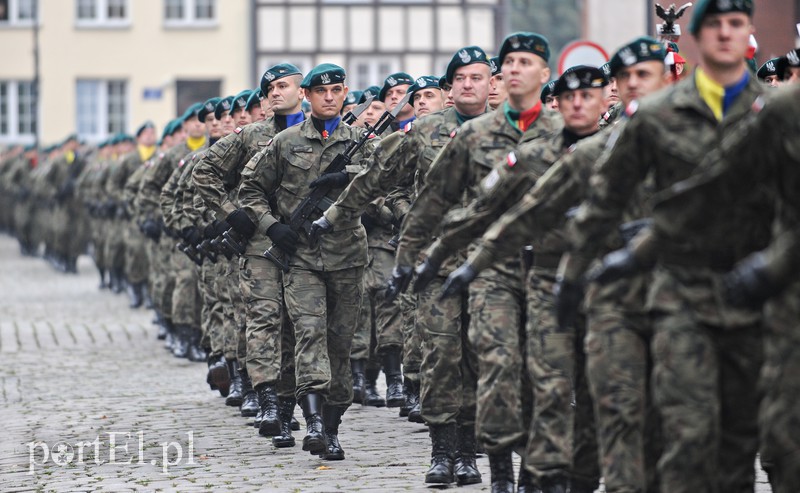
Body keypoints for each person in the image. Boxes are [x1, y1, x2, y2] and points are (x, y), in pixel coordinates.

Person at [439, 37, 673, 493]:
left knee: (614, 399)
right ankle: (513, 473)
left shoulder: (637, 138)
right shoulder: (538, 143)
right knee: (514, 370)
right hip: (528, 271)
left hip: (640, 285)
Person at [556, 1, 766, 491]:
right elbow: (593, 202)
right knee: (632, 412)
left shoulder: (745, 117)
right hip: (641, 293)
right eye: (625, 77)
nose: (634, 85)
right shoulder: (621, 133)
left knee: (717, 425)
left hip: (717, 291)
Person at [389, 34, 561, 491]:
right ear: (449, 88)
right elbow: (403, 192)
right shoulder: (431, 132)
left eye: (478, 77)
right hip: (441, 264)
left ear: (494, 84)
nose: (468, 84)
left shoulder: (534, 129)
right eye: (459, 78)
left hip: (501, 265)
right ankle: (444, 451)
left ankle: (473, 452)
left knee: (489, 359)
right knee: (442, 356)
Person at [237, 63, 378, 461]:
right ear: (308, 97)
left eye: (336, 90)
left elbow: (381, 185)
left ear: (345, 93)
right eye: (320, 91)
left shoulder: (362, 142)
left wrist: (349, 177)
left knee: (339, 343)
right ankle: (313, 423)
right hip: (300, 257)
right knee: (309, 332)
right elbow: (250, 188)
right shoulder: (285, 141)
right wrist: (271, 226)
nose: (329, 97)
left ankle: (332, 428)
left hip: (348, 255)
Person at [193, 63, 306, 445]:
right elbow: (204, 172)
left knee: (296, 325)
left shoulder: (316, 134)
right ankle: (269, 401)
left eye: (283, 86)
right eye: (269, 88)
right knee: (264, 318)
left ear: (301, 92)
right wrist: (231, 214)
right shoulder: (250, 135)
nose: (275, 93)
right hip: (259, 244)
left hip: (304, 245)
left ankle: (289, 405)